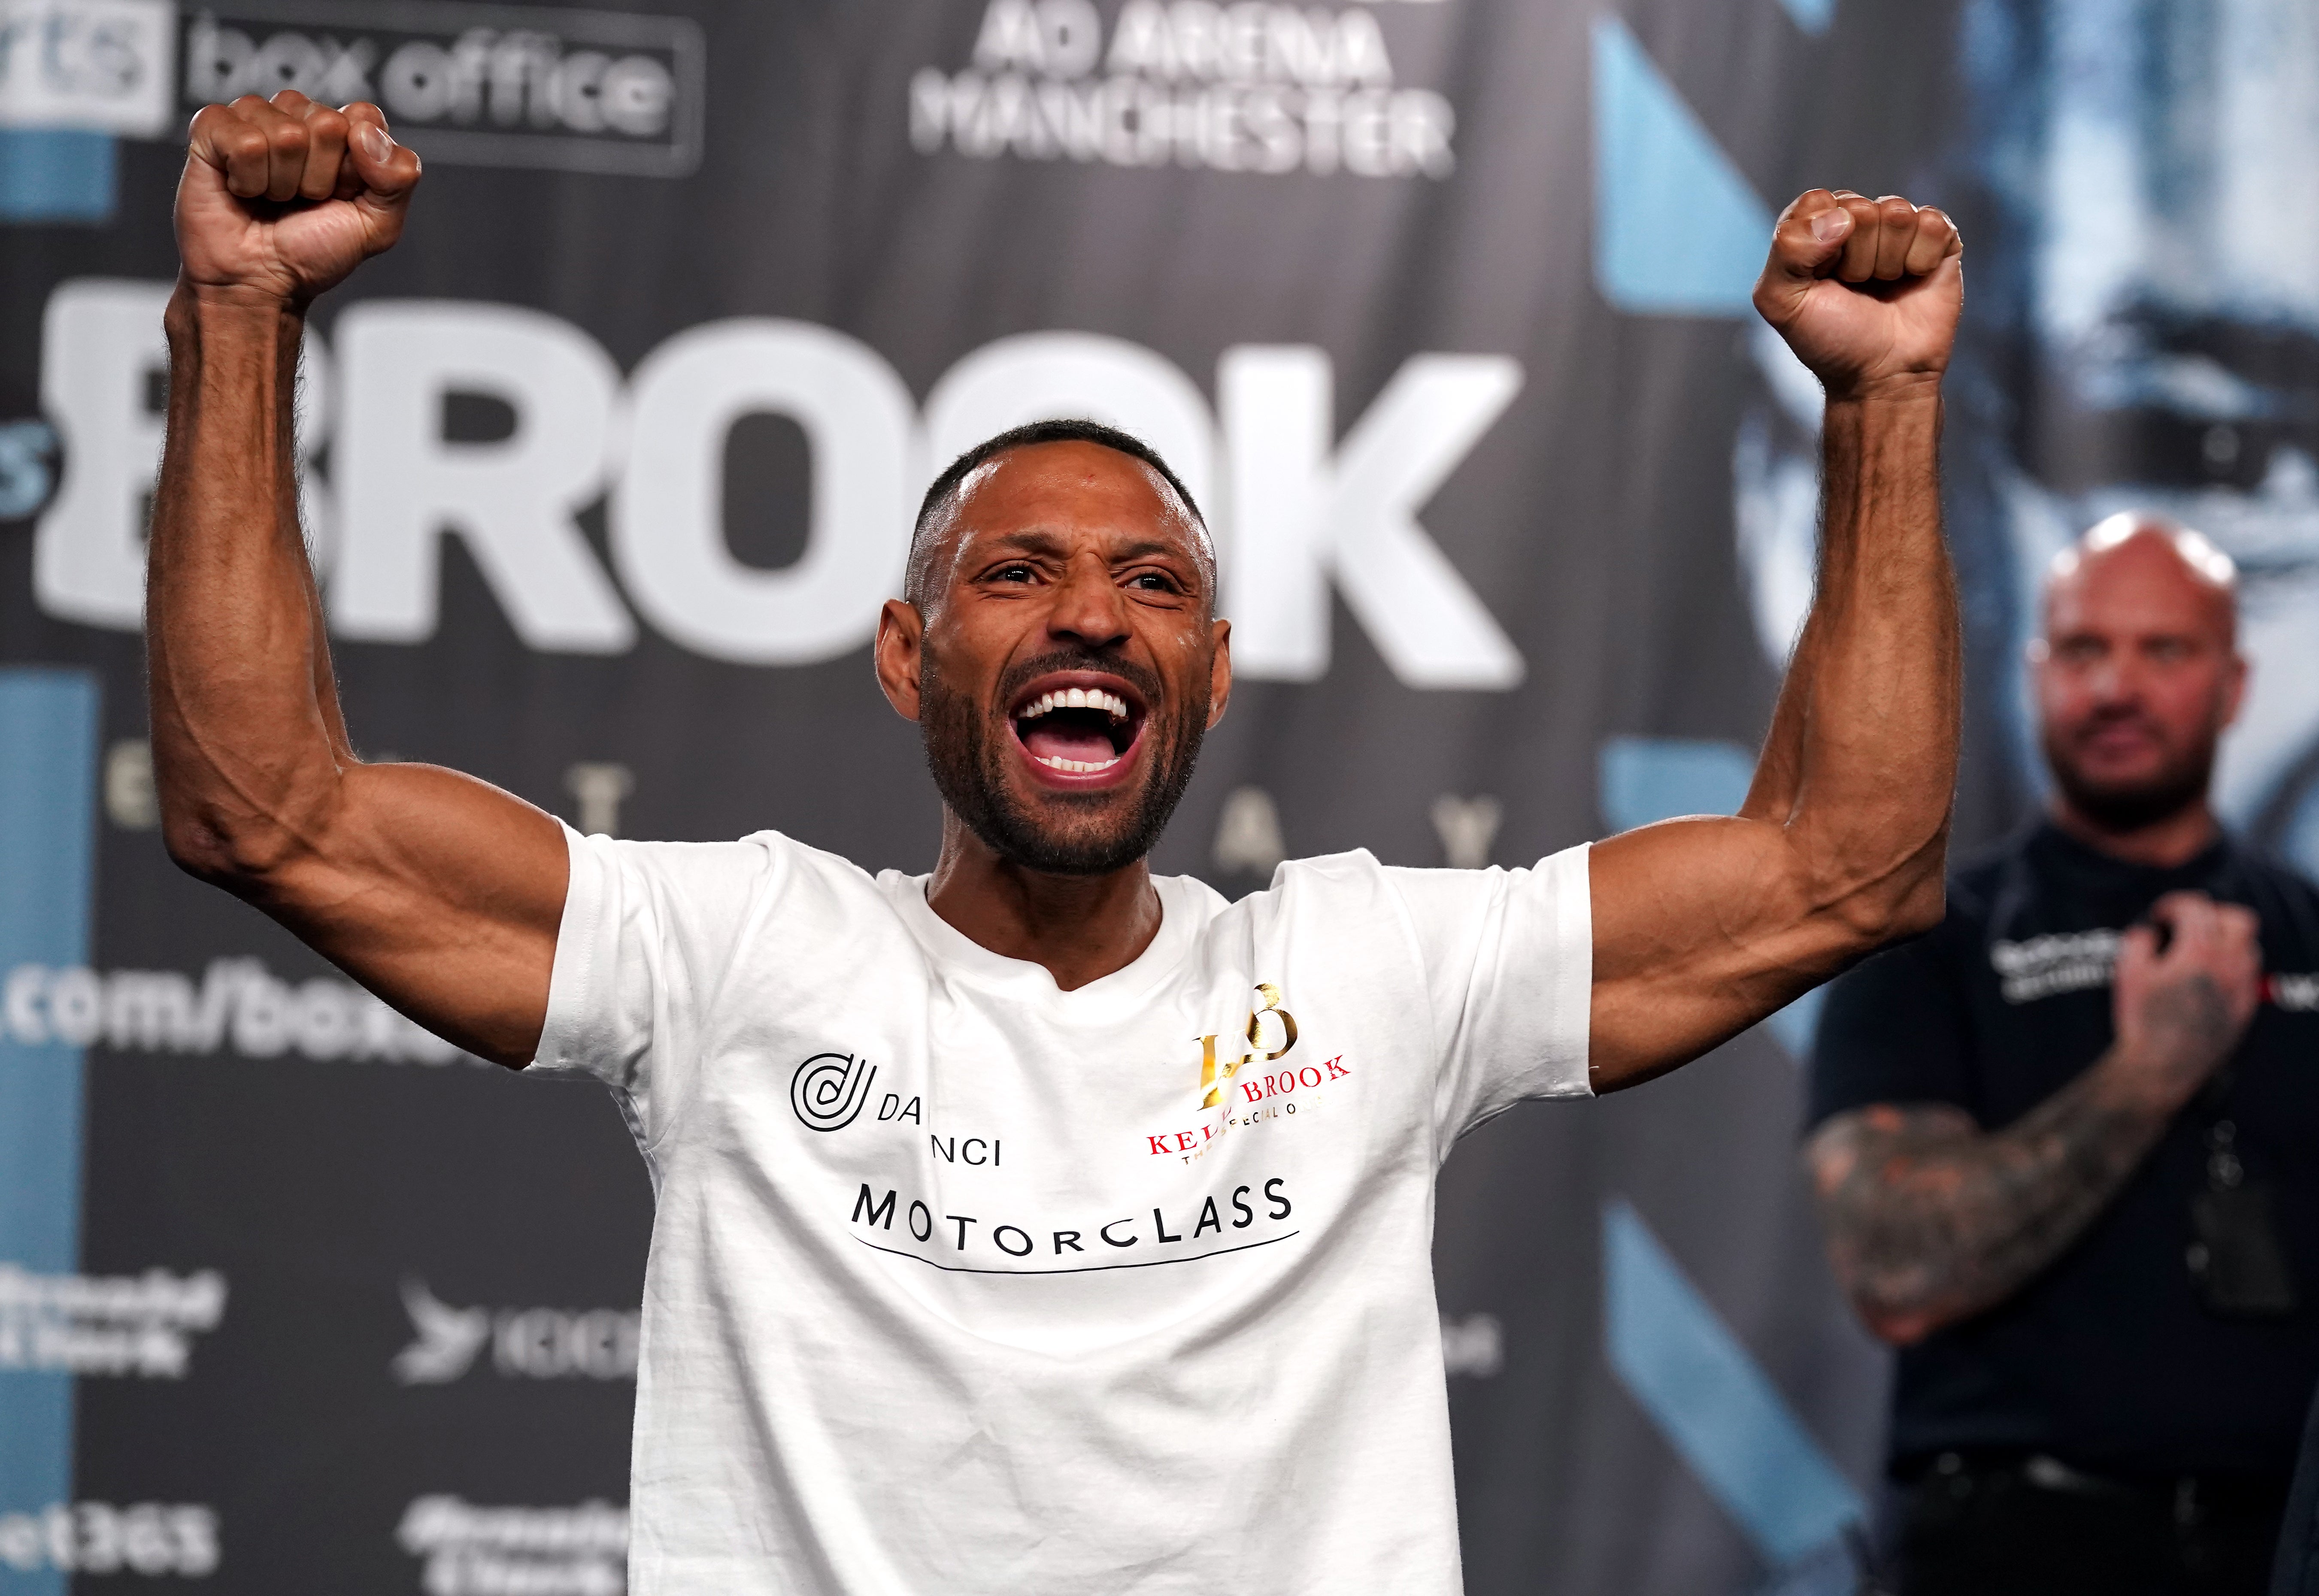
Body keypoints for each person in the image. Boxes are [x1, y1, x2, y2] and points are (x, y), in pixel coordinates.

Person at [152, 90, 1963, 1595]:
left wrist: (1880, 402)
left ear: (1214, 673)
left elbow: (1845, 862)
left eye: (1152, 582)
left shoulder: (1366, 971)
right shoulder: (746, 956)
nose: (1090, 613)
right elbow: (268, 810)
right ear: (905, 653)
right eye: (1017, 574)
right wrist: (237, 316)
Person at [1806, 515, 2319, 1596]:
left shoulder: (2308, 933)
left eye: (2162, 651)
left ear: (2232, 684)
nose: (2115, 688)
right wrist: (2149, 1073)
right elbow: (1894, 1271)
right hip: (2006, 1546)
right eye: (2083, 651)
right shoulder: (1927, 937)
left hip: (2278, 1542)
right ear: (2035, 671)